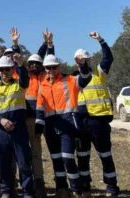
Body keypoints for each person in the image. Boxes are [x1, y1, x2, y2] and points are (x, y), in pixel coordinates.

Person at [36, 53, 93, 198]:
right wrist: (38, 125)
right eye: (48, 68)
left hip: (68, 126)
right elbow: (39, 108)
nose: (51, 70)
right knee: (56, 160)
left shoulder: (70, 80)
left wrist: (83, 65)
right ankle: (61, 189)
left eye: (53, 67)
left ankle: (76, 189)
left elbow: (86, 78)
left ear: (58, 67)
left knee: (68, 158)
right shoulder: (42, 85)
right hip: (50, 127)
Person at [76, 31, 119, 198]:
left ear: (89, 60)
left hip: (99, 123)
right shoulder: (74, 78)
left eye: (86, 59)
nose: (83, 62)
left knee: (105, 155)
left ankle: (111, 187)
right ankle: (85, 186)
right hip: (80, 124)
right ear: (76, 61)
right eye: (80, 59)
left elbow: (108, 57)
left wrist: (100, 40)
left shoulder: (99, 74)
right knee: (82, 156)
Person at [0, 54, 34, 198]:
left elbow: (25, 79)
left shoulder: (19, 84)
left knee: (24, 163)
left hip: (19, 130)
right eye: (1, 69)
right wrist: (1, 120)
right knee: (4, 163)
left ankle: (28, 193)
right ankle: (6, 191)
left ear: (12, 69)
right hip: (2, 131)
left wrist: (21, 65)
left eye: (7, 69)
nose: (4, 72)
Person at [24, 29, 54, 198]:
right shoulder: (23, 77)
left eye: (37, 64)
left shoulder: (44, 76)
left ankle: (39, 183)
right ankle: (26, 181)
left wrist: (48, 44)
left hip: (39, 120)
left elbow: (47, 59)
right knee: (23, 153)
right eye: (31, 64)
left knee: (36, 153)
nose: (34, 66)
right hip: (25, 120)